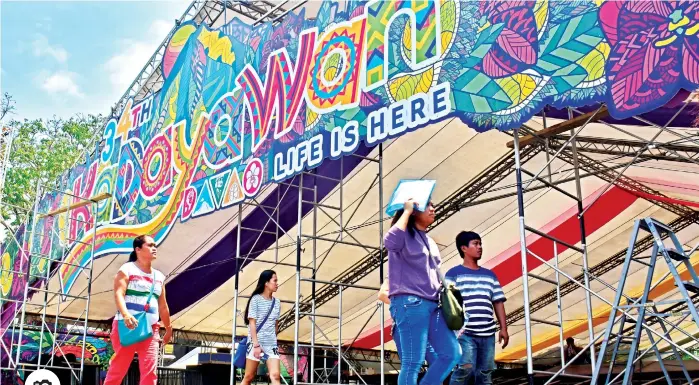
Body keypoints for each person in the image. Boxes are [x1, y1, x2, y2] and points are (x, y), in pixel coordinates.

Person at [385, 199, 461, 385]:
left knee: (451, 354)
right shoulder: (402, 235)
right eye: (428, 205)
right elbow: (390, 241)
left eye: (434, 205)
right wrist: (406, 210)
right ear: (415, 211)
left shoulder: (429, 240)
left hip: (433, 304)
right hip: (410, 302)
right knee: (412, 362)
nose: (433, 208)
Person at [104, 235, 171, 385]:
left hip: (151, 328)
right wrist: (126, 315)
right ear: (138, 249)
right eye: (150, 245)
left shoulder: (159, 276)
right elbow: (118, 294)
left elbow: (163, 305)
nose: (155, 248)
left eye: (155, 245)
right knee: (119, 369)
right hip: (127, 325)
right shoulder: (127, 269)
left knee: (150, 373)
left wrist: (168, 328)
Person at [447, 231, 507, 385]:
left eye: (480, 244)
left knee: (485, 373)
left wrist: (503, 329)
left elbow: (498, 302)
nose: (480, 247)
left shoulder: (490, 275)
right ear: (464, 248)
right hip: (465, 333)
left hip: (487, 333)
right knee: (465, 369)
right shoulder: (453, 274)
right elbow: (447, 304)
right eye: (475, 243)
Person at [241, 270, 282, 385]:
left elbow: (276, 324)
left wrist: (273, 337)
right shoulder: (256, 300)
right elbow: (252, 324)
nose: (277, 283)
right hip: (255, 343)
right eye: (275, 281)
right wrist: (256, 345)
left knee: (275, 376)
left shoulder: (277, 302)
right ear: (266, 283)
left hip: (271, 344)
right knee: (249, 376)